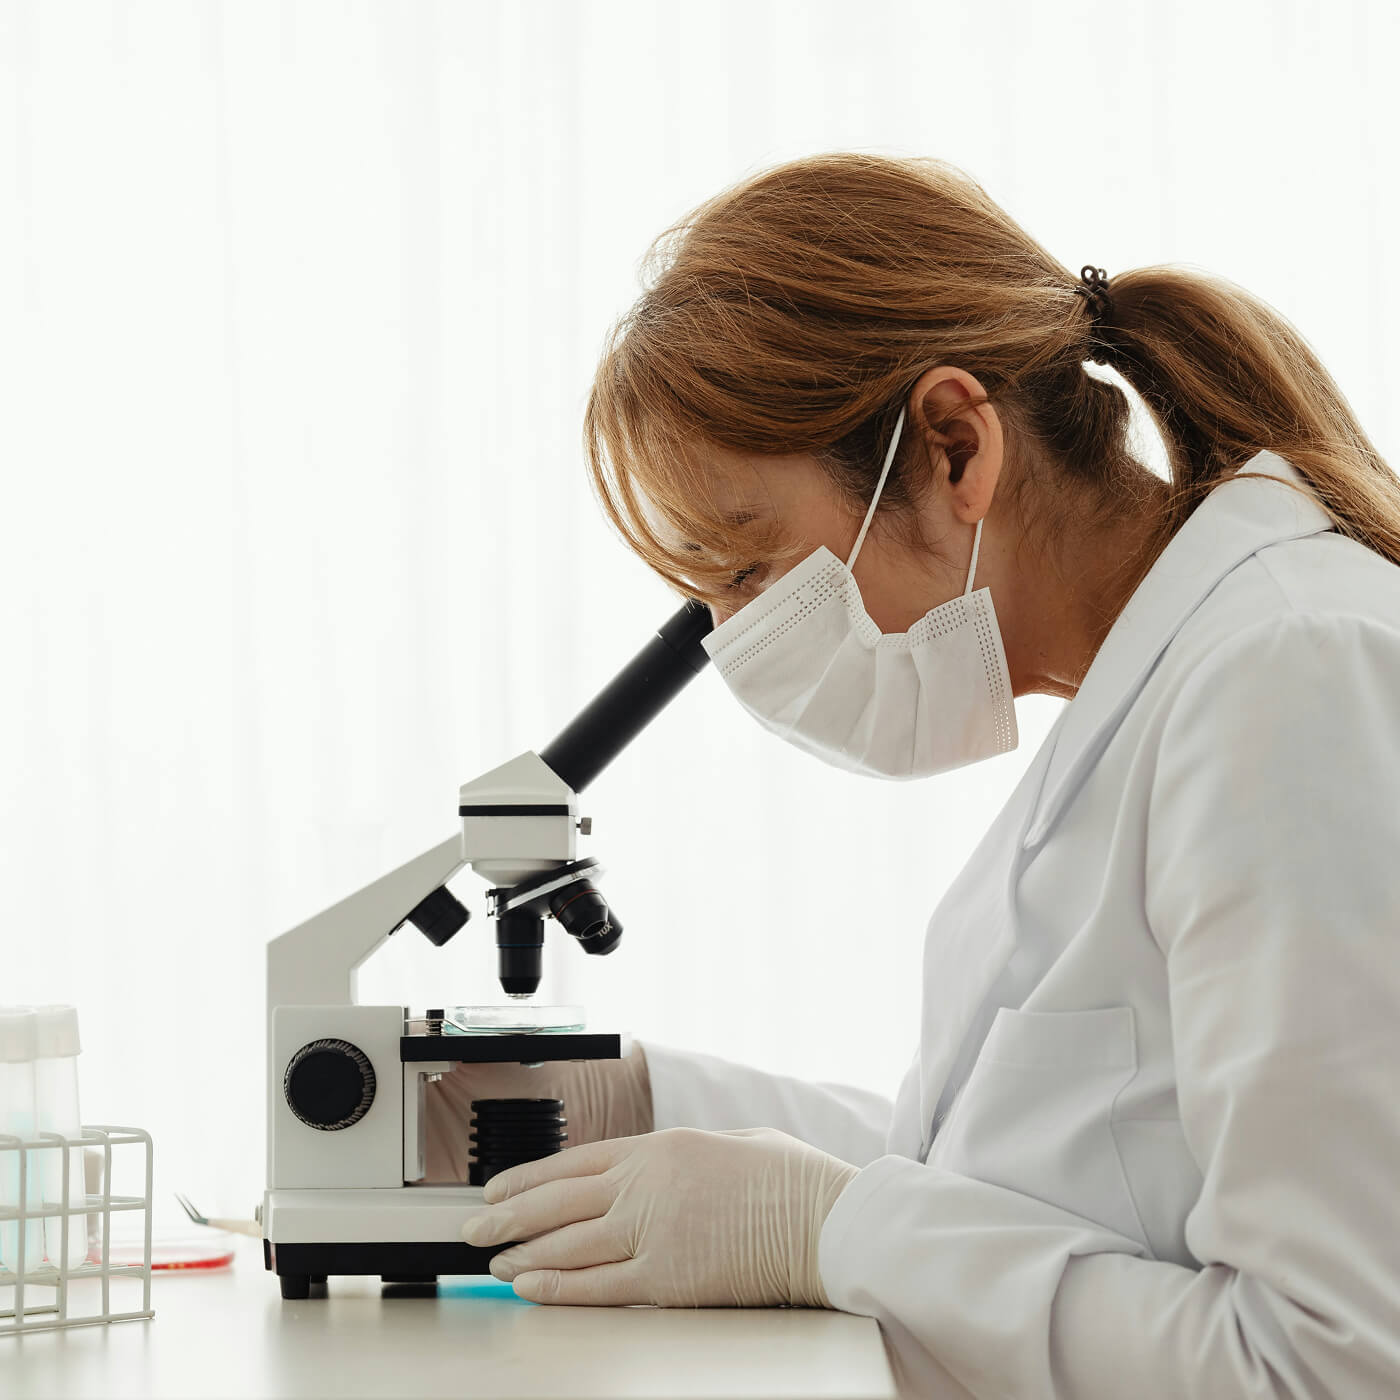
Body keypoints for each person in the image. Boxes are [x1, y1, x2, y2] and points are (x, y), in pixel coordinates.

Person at [424, 152, 1400, 1397]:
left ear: (952, 447)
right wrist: (637, 1098)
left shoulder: (1289, 675)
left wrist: (828, 1231)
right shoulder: (1157, 685)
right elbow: (1003, 1180)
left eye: (746, 573)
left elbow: (1330, 1362)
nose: (733, 645)